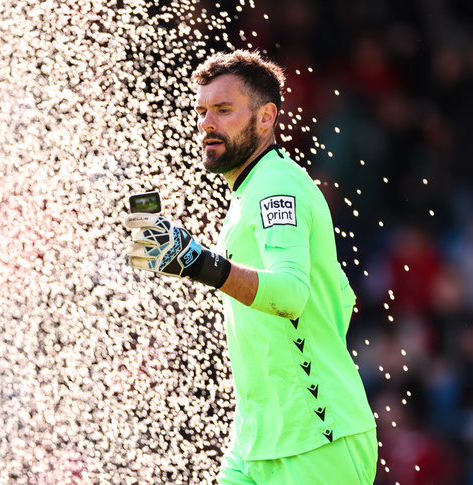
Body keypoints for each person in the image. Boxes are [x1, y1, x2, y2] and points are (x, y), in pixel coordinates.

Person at [123, 50, 378, 484]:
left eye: (224, 110)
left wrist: (200, 264)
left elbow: (293, 293)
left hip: (317, 435)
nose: (207, 122)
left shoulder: (275, 183)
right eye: (201, 110)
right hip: (257, 439)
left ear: (266, 117)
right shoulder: (250, 189)